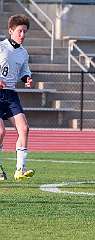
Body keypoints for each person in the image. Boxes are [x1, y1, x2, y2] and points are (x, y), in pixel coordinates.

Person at [0, 14, 34, 181]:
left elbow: (24, 71)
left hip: (11, 95)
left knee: (24, 129)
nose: (22, 35)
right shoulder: (1, 47)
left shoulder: (23, 53)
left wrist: (27, 78)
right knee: (0, 132)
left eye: (25, 32)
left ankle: (20, 169)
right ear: (11, 30)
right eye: (20, 31)